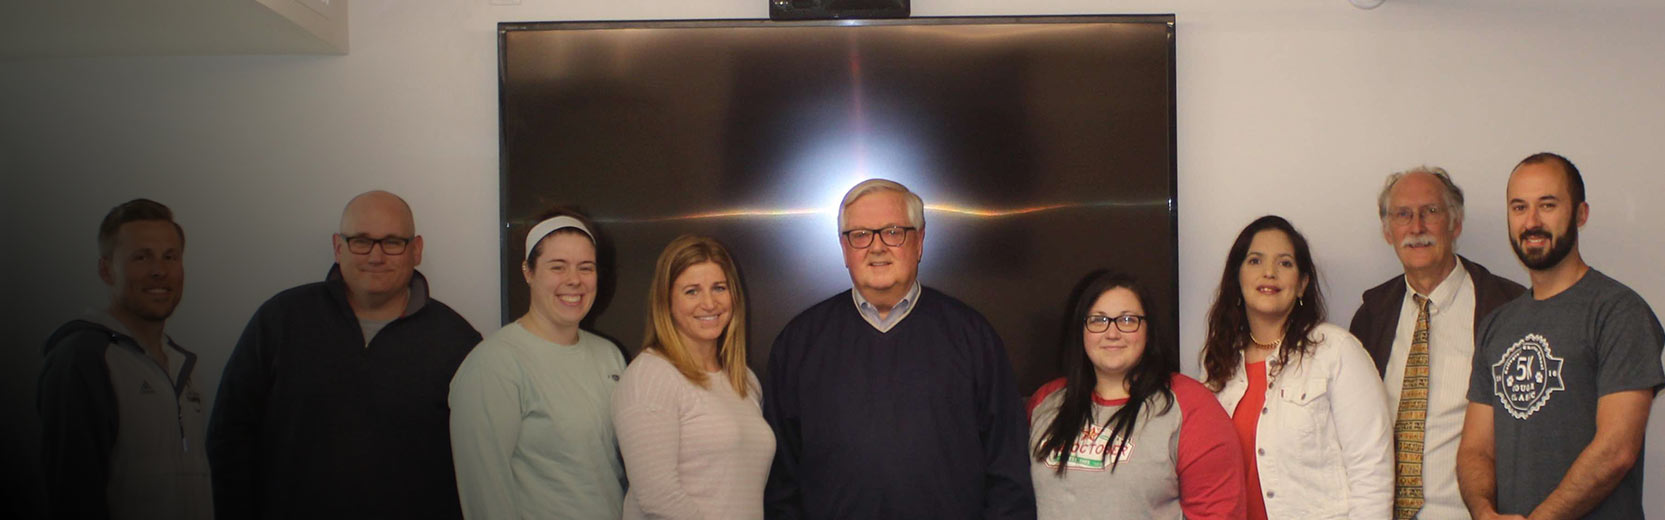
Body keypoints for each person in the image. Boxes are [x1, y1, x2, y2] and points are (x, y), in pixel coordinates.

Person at [763, 178, 1035, 519]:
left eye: (893, 232)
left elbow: (1008, 471)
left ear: (919, 241)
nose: (877, 247)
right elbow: (781, 482)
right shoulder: (799, 343)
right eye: (860, 235)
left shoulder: (973, 337)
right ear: (844, 249)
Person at [207, 190, 481, 519]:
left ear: (416, 249)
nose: (376, 257)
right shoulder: (281, 321)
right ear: (338, 248)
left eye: (392, 242)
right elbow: (229, 435)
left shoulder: (457, 342)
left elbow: (477, 463)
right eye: (361, 241)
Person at [1457, 152, 1664, 519]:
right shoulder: (1496, 325)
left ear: (1581, 214)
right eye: (1519, 207)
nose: (1531, 222)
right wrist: (1484, 512)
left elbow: (1617, 449)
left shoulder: (1619, 312)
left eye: (1547, 205)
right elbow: (1476, 450)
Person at [1348, 166, 1525, 519]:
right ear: (1388, 231)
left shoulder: (1509, 309)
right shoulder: (1371, 317)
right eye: (1402, 215)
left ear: (1455, 224)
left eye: (1430, 211)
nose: (1416, 227)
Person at [1201, 215, 1393, 520]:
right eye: (1255, 261)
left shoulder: (1336, 351)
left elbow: (1372, 470)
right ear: (1237, 278)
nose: (1269, 272)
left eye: (1285, 263)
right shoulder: (1218, 364)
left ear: (1302, 284)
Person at [38, 199, 212, 520]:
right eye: (141, 257)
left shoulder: (186, 368)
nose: (159, 270)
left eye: (170, 257)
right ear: (106, 270)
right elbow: (72, 495)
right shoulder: (84, 359)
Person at [448, 208, 627, 519]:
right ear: (528, 272)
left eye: (585, 268)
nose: (574, 280)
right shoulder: (493, 365)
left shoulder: (609, 356)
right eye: (557, 267)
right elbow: (485, 497)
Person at [1027, 270, 1245, 520]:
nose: (1112, 333)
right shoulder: (1044, 402)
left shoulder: (1193, 406)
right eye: (1098, 320)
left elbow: (1219, 513)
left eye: (1128, 320)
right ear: (1081, 330)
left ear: (1148, 330)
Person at [613, 235, 775, 519]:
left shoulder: (745, 380)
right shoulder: (650, 376)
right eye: (692, 291)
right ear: (666, 301)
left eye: (719, 288)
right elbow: (657, 497)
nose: (709, 303)